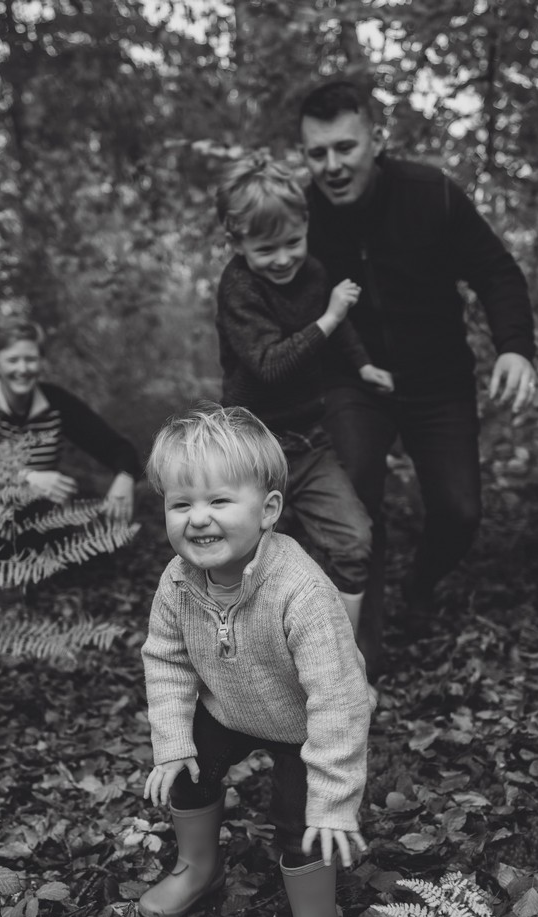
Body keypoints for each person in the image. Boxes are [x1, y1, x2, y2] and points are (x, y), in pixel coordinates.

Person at [298, 78, 538, 678]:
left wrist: (515, 348)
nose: (332, 165)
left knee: (460, 513)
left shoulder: (431, 194)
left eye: (345, 147)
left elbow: (497, 272)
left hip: (439, 382)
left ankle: (422, 585)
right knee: (357, 497)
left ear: (375, 140)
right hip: (354, 382)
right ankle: (362, 649)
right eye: (317, 152)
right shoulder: (302, 217)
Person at [138, 403, 372, 917]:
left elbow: (340, 700)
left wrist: (333, 804)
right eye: (181, 503)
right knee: (189, 770)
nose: (198, 517)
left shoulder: (301, 591)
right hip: (227, 708)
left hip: (304, 723)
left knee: (300, 822)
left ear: (267, 510)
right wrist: (172, 742)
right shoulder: (177, 582)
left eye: (220, 500)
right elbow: (166, 659)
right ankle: (198, 867)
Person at [213, 154, 387, 637]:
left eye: (293, 242)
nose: (285, 258)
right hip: (252, 451)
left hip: (310, 442)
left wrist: (364, 365)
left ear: (305, 226)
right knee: (247, 559)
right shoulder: (239, 289)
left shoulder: (310, 270)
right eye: (267, 248)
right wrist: (328, 319)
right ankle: (240, 661)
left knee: (354, 541)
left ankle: (342, 661)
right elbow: (269, 365)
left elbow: (339, 323)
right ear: (237, 242)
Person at [0, 316, 141, 522]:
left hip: (40, 520)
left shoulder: (56, 402)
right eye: (13, 360)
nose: (23, 369)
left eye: (31, 359)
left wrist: (125, 477)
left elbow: (119, 449)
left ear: (41, 361)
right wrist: (28, 479)